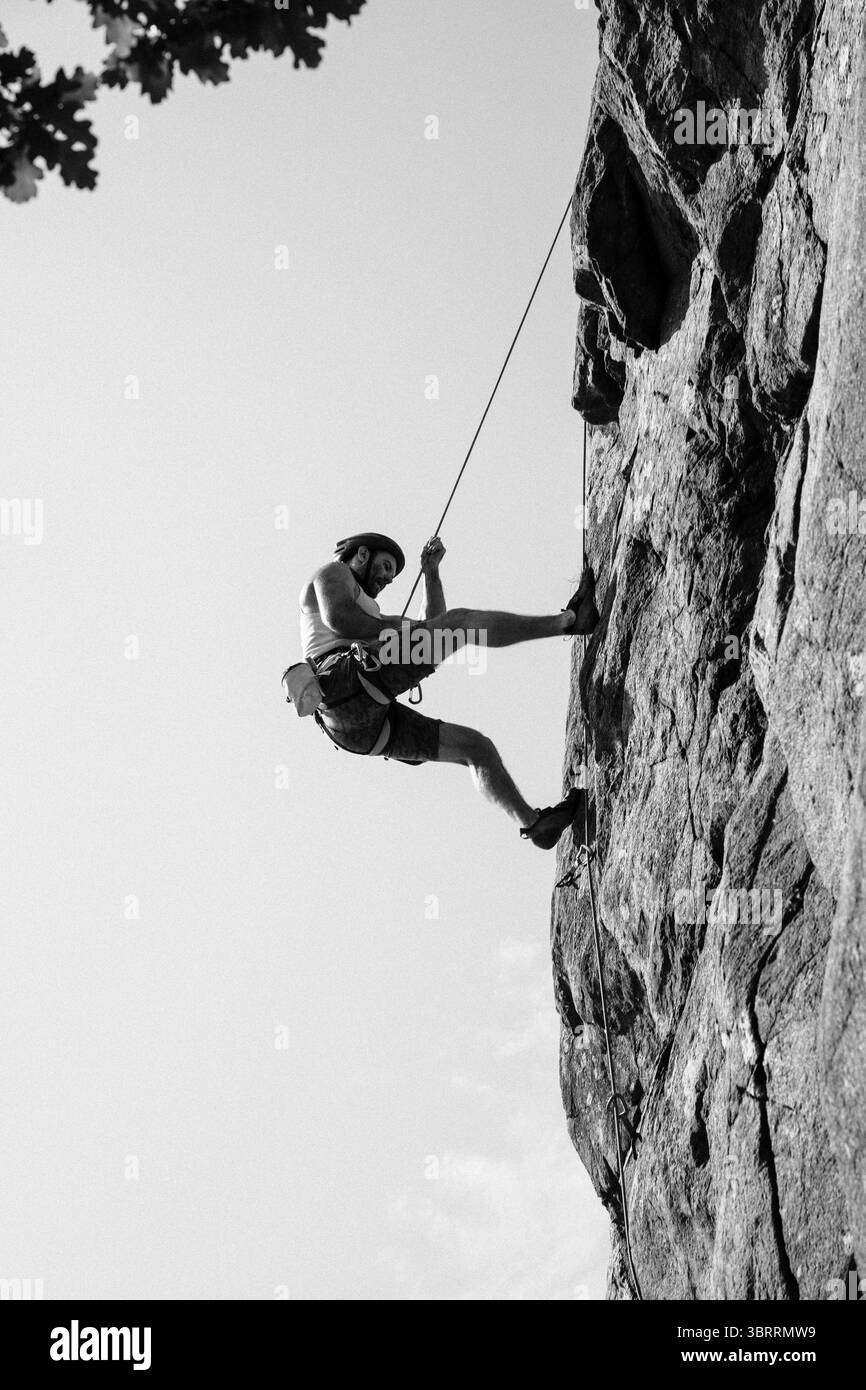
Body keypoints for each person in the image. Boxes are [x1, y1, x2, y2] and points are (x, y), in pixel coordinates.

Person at [295, 530, 598, 849]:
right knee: (462, 623)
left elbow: (435, 628)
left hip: (356, 729)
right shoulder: (333, 573)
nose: (388, 577)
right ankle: (568, 622)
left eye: (392, 573)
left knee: (476, 748)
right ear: (361, 555)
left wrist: (431, 574)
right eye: (385, 566)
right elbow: (340, 618)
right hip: (343, 679)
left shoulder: (376, 619)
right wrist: (400, 630)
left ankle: (534, 825)